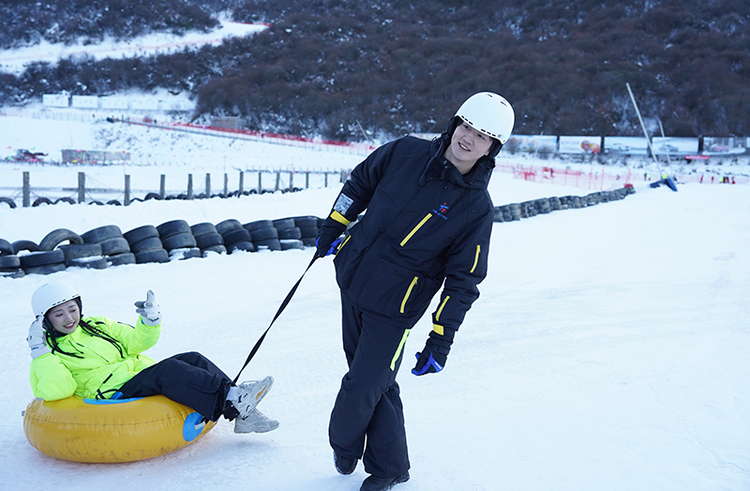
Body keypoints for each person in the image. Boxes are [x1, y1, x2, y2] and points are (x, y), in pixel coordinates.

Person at [315, 92, 515, 491]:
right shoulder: (404, 152)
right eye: (466, 127)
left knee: (362, 386)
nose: (468, 139)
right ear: (454, 123)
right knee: (376, 383)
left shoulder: (476, 208)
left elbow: (465, 280)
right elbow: (359, 182)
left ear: (493, 148)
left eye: (482, 136)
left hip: (395, 307)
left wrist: (441, 339)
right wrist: (334, 225)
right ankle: (391, 468)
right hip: (352, 280)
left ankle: (345, 444)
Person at [26, 281, 278, 434]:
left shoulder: (97, 324)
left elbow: (137, 342)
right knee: (168, 370)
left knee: (193, 358)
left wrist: (150, 321)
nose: (69, 318)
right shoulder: (49, 351)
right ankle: (235, 397)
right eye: (59, 314)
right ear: (45, 320)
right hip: (113, 392)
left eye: (72, 309)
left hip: (137, 375)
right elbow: (57, 389)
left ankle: (242, 415)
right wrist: (40, 351)